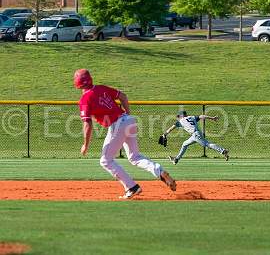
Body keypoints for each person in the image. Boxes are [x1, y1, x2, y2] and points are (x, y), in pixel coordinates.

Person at [74, 69, 176, 199]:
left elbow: (87, 124)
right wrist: (127, 114)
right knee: (135, 157)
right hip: (128, 120)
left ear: (77, 83)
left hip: (117, 125)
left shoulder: (84, 99)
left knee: (105, 161)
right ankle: (160, 171)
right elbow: (123, 96)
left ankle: (131, 187)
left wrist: (85, 145)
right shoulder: (101, 88)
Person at [163, 111, 229, 165]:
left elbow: (170, 129)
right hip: (196, 134)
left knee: (207, 144)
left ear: (181, 116)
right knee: (184, 144)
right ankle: (176, 159)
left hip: (195, 135)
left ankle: (223, 150)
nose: (178, 117)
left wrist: (164, 134)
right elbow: (201, 116)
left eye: (178, 116)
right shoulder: (192, 117)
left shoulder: (180, 121)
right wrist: (212, 118)